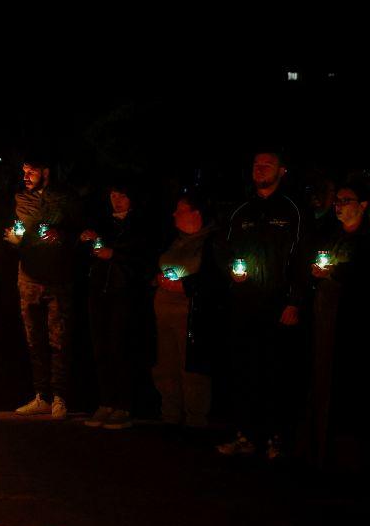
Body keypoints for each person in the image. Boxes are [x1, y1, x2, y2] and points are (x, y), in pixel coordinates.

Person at [216, 150, 303, 459]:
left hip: (278, 303)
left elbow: (301, 257)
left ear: (282, 170)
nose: (260, 169)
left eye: (267, 164)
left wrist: (294, 300)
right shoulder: (241, 209)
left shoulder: (293, 209)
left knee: (277, 370)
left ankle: (277, 436)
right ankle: (246, 434)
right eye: (256, 164)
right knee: (245, 368)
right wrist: (232, 272)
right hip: (245, 302)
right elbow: (224, 249)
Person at [298, 180, 366, 468]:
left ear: (363, 205)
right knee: (323, 373)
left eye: (346, 200)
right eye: (336, 200)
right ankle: (320, 447)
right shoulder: (333, 235)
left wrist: (335, 272)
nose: (339, 205)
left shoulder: (363, 239)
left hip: (352, 319)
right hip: (326, 314)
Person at [5, 156, 77, 418]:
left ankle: (60, 397)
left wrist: (62, 236)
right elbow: (26, 227)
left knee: (59, 340)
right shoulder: (21, 199)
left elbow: (76, 230)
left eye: (31, 171)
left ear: (45, 171)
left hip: (57, 278)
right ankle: (41, 396)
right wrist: (18, 239)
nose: (25, 176)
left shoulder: (65, 199)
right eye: (23, 171)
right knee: (33, 339)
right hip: (29, 276)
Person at [80, 183, 153, 430]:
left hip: (125, 293)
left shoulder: (140, 224)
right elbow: (92, 252)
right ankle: (106, 401)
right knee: (101, 348)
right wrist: (88, 241)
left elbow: (143, 258)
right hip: (100, 291)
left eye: (122, 195)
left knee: (121, 347)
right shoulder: (103, 222)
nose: (117, 200)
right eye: (113, 195)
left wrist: (115, 255)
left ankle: (124, 405)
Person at [152, 191, 225, 430]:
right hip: (164, 311)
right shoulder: (173, 239)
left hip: (191, 313)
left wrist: (184, 285)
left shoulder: (212, 242)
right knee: (167, 364)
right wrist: (158, 280)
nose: (174, 214)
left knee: (191, 368)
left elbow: (214, 278)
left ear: (196, 214)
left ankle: (195, 420)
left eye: (180, 209)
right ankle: (170, 415)